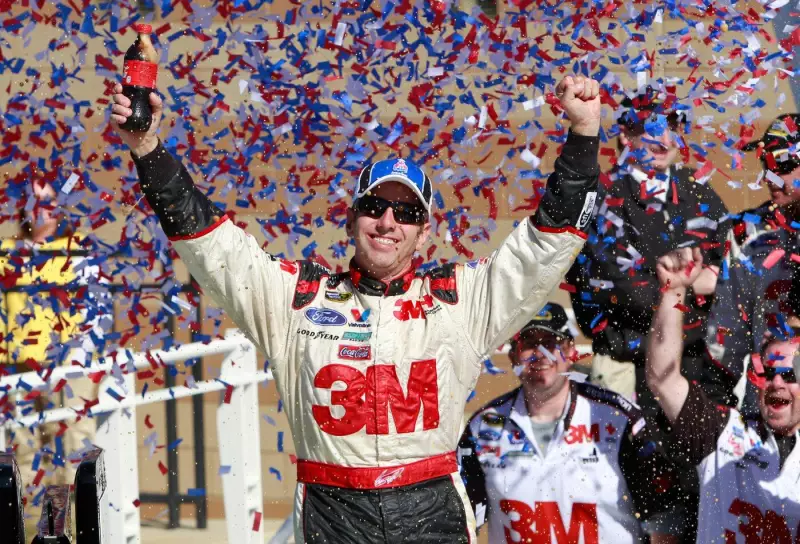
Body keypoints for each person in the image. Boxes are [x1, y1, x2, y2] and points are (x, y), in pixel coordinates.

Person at [110, 74, 602, 542]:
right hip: (333, 511)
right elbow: (209, 243)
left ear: (423, 234)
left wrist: (583, 135)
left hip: (430, 507)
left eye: (406, 213)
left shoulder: (459, 300)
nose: (388, 222)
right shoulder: (295, 299)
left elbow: (544, 246)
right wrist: (147, 148)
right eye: (374, 207)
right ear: (351, 220)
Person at [458, 303, 683, 544]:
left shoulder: (617, 416)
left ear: (571, 351)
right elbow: (460, 519)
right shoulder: (484, 425)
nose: (540, 354)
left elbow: (664, 515)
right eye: (529, 343)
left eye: (550, 343)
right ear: (513, 356)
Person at [566, 86, 729, 410]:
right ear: (626, 135)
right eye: (651, 127)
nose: (664, 138)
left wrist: (706, 282)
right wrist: (694, 284)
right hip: (627, 365)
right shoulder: (601, 198)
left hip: (697, 363)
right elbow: (626, 293)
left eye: (672, 127)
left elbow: (732, 273)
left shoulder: (700, 193)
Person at [647, 246, 800, 543]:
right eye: (767, 372)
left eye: (790, 374)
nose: (776, 382)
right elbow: (662, 379)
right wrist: (673, 291)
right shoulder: (722, 432)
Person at [0, 181, 99, 496]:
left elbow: (95, 309)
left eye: (48, 201)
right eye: (35, 201)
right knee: (25, 451)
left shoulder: (76, 249)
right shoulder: (7, 252)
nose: (42, 209)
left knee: (73, 445)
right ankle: (30, 520)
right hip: (19, 365)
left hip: (68, 362)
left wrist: (81, 357)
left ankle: (75, 517)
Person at [703, 113, 800, 412]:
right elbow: (726, 332)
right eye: (765, 164)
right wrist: (718, 404)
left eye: (783, 164)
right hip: (765, 410)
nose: (771, 177)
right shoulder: (748, 231)